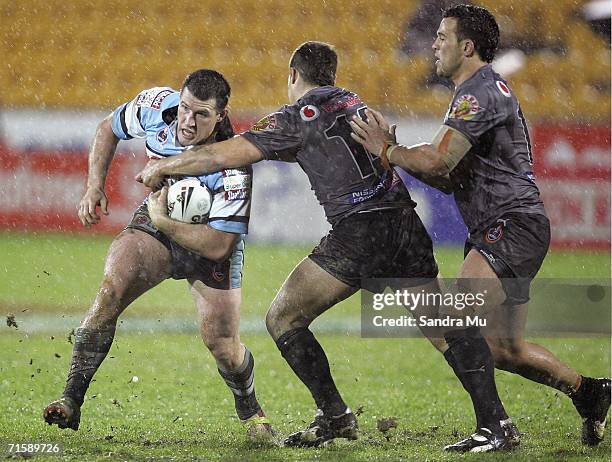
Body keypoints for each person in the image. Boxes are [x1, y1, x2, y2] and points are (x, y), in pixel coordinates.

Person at [136, 41, 515, 451]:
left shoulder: (297, 116)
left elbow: (224, 155)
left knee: (283, 319)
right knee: (445, 329)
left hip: (359, 231)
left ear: (293, 75)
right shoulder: (356, 104)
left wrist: (164, 164)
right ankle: (496, 424)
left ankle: (335, 415)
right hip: (403, 222)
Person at [350, 4, 611, 450]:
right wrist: (395, 152)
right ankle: (590, 392)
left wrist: (388, 150)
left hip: (509, 225)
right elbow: (446, 175)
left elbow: (437, 161)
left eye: (442, 37)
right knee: (502, 349)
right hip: (512, 226)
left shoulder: (478, 93)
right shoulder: (480, 92)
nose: (434, 44)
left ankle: (496, 428)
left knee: (456, 319)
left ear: (466, 46)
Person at [43, 69, 274, 443]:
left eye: (201, 115)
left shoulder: (235, 159)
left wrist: (164, 220)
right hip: (156, 222)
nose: (187, 120)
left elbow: (219, 247)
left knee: (223, 346)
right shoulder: (155, 106)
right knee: (110, 291)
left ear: (221, 115)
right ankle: (71, 398)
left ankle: (249, 408)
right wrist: (93, 186)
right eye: (185, 108)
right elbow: (107, 128)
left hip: (208, 239)